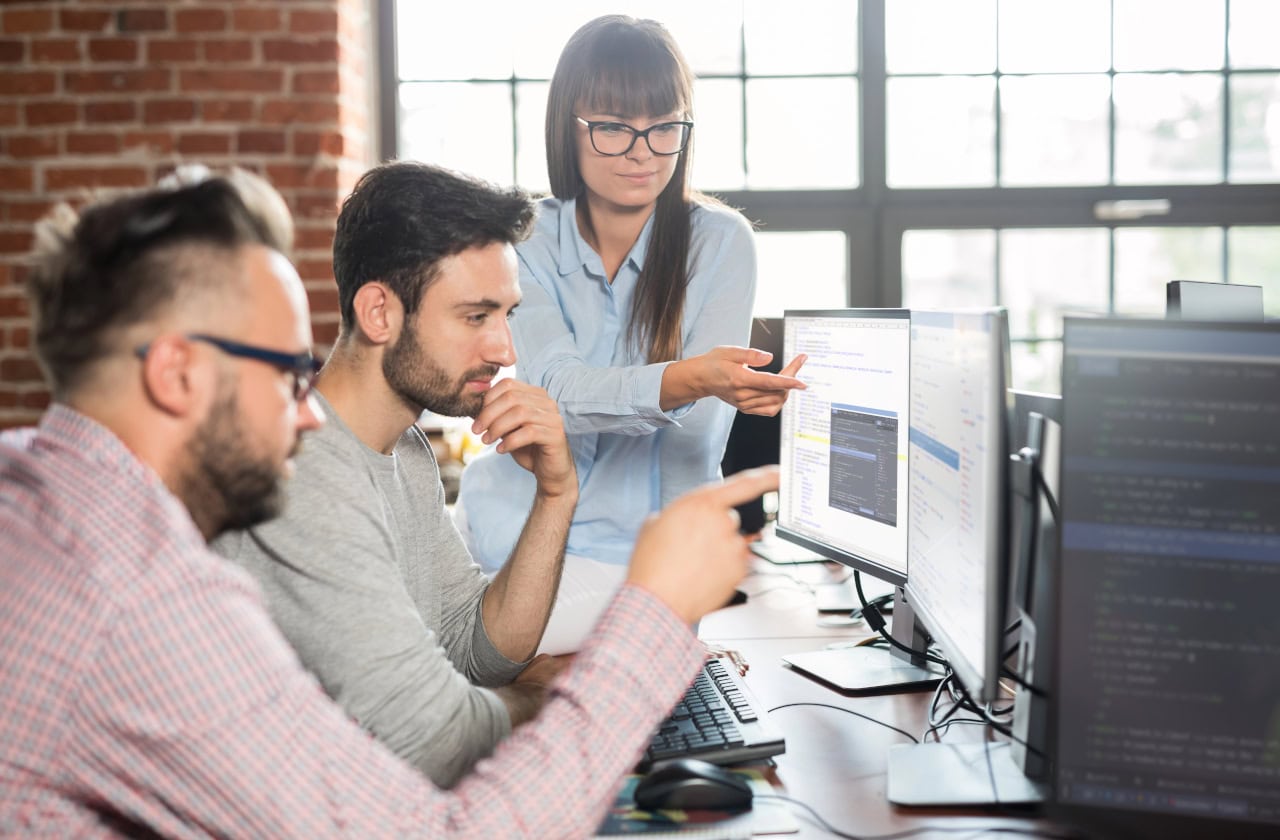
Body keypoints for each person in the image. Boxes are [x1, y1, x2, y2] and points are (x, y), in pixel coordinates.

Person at [0, 169, 779, 837]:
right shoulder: (138, 591)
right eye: (283, 370)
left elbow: (473, 649)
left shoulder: (42, 492)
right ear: (175, 375)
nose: (303, 409)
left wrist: (557, 492)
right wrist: (637, 634)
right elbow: (441, 797)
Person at [211, 160, 578, 787]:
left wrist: (557, 493)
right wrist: (554, 700)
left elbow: (476, 650)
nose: (504, 350)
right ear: (379, 312)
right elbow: (430, 739)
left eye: (507, 315)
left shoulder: (404, 450)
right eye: (475, 317)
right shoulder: (303, 469)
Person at [456, 14, 806, 654]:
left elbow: (695, 439)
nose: (642, 152)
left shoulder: (721, 243)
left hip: (643, 560)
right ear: (570, 127)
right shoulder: (525, 241)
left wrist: (674, 612)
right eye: (614, 127)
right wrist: (689, 378)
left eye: (664, 127)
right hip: (507, 531)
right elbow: (555, 393)